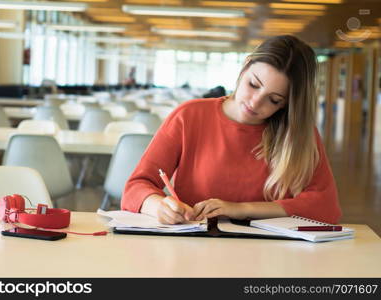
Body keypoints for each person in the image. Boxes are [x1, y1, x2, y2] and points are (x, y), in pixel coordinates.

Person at [121, 35, 342, 225]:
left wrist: (240, 209)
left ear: (287, 104)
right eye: (253, 85)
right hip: (192, 249)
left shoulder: (298, 134)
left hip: (269, 258)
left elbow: (325, 207)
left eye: (274, 100)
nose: (255, 103)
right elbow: (136, 188)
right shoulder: (189, 116)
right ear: (245, 66)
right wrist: (158, 206)